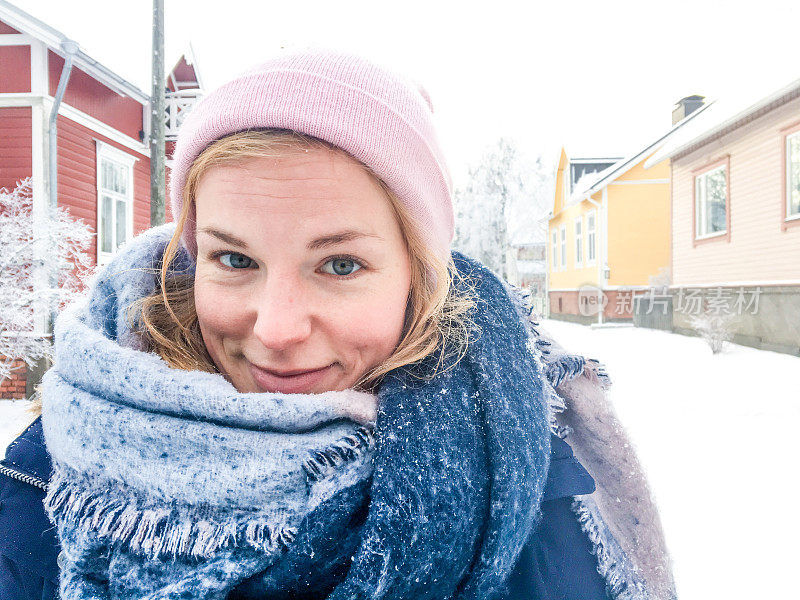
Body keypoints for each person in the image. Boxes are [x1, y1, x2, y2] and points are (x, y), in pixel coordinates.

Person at [0, 51, 675, 600]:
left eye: (341, 264)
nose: (278, 327)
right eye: (235, 259)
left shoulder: (521, 467)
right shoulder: (58, 464)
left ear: (419, 275)